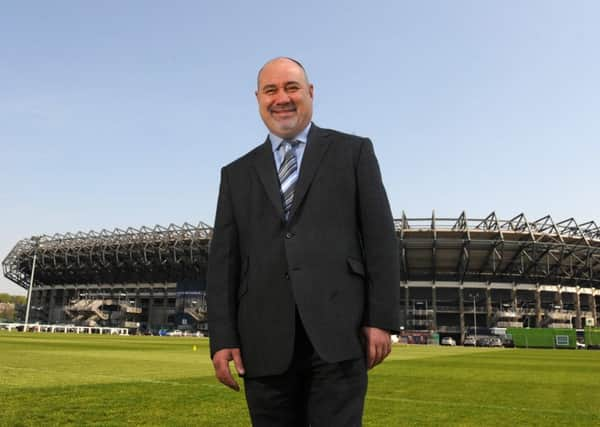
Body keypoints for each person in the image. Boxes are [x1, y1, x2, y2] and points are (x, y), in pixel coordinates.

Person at [207, 57, 400, 426]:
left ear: (310, 92)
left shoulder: (353, 152)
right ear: (258, 99)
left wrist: (381, 318)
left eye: (291, 87)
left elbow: (380, 239)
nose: (282, 98)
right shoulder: (235, 174)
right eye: (271, 90)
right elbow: (224, 262)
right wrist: (222, 336)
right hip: (261, 341)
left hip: (340, 334)